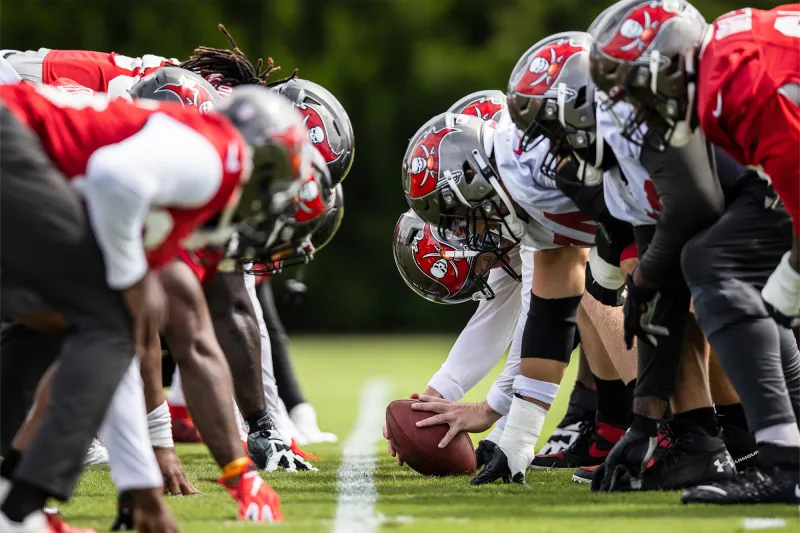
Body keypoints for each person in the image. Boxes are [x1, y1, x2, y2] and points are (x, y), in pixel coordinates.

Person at [0, 81, 311, 525]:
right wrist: (130, 280)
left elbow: (121, 356)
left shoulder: (165, 182)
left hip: (18, 146)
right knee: (106, 323)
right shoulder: (221, 154)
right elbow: (115, 176)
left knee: (52, 329)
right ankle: (20, 510)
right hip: (12, 136)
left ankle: (14, 499)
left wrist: (140, 487)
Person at [589, 0, 800, 503]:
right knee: (717, 262)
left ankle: (786, 465)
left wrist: (789, 286)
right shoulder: (726, 45)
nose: (640, 109)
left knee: (717, 264)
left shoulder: (733, 87)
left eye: (640, 90)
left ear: (669, 62)